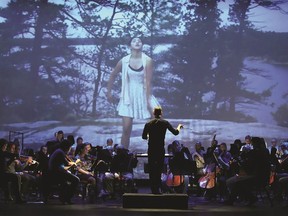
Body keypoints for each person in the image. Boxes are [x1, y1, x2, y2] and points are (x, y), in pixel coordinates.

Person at [107, 36, 160, 150]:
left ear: (142, 45)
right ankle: (123, 155)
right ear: (130, 45)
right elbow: (113, 75)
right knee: (126, 129)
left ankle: (155, 154)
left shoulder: (148, 60)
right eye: (134, 41)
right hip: (128, 95)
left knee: (155, 124)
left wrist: (147, 101)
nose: (137, 42)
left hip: (143, 92)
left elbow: (148, 82)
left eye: (139, 41)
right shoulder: (124, 60)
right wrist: (109, 92)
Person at [142, 106, 183, 194]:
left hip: (152, 149)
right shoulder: (165, 123)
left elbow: (144, 137)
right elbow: (175, 132)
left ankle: (153, 189)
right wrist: (179, 127)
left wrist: (150, 136)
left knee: (152, 169)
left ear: (153, 113)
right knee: (159, 169)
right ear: (161, 113)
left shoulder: (148, 124)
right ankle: (159, 188)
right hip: (160, 149)